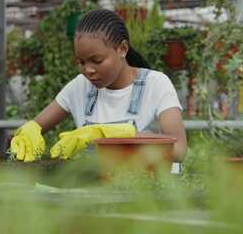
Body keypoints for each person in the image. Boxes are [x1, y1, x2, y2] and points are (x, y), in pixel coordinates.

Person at [10, 9, 187, 164]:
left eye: (97, 61)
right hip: (94, 194)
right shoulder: (80, 86)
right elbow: (37, 125)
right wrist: (29, 131)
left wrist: (108, 135)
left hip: (146, 196)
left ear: (122, 49)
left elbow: (179, 149)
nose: (88, 70)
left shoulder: (155, 84)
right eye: (81, 62)